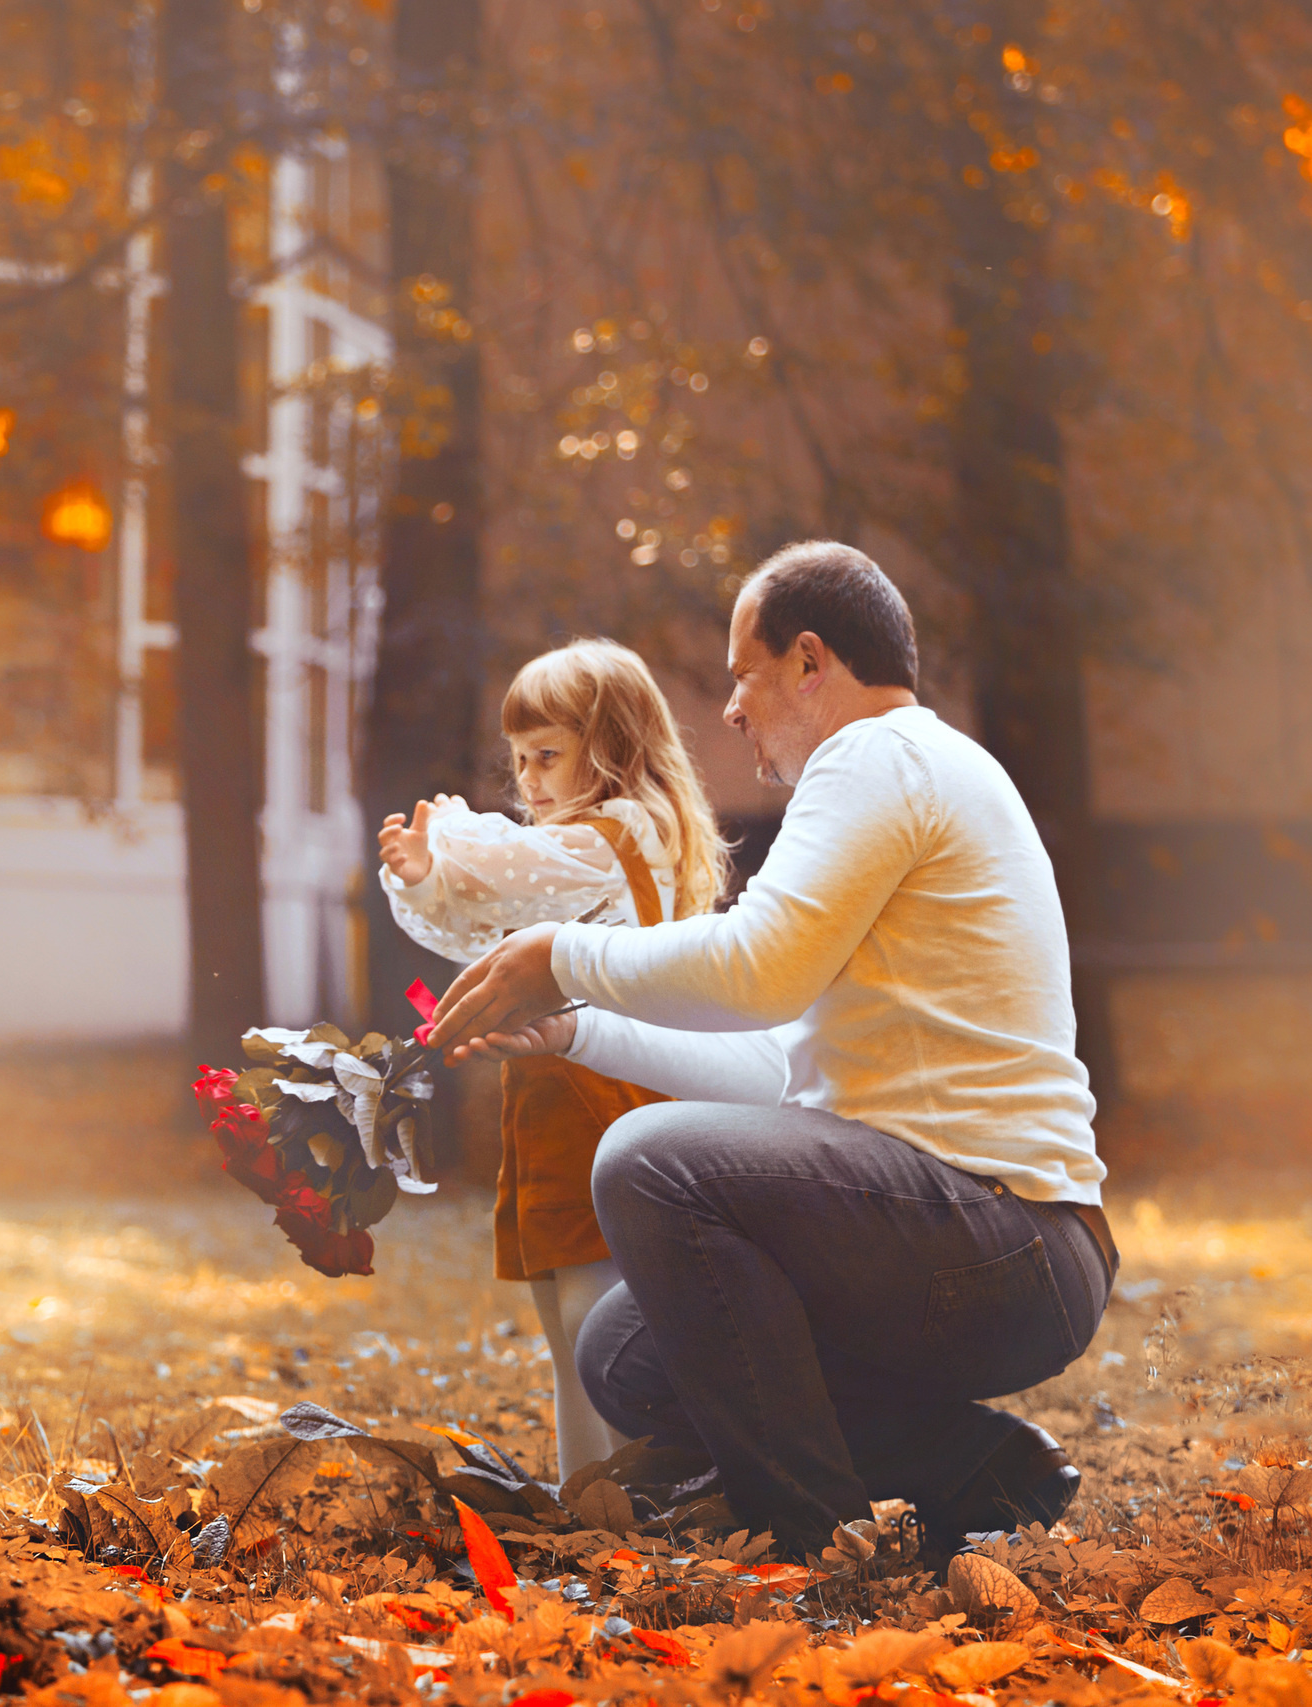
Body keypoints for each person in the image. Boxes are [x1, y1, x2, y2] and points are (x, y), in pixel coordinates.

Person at [425, 541, 1115, 1561]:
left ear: (809, 661)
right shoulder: (905, 773)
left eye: (743, 675)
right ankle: (970, 1465)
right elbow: (777, 1062)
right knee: (625, 1348)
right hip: (975, 1244)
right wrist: (574, 1029)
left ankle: (809, 1532)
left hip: (1000, 1239)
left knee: (645, 1159)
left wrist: (564, 953)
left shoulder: (878, 756)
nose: (735, 708)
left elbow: (757, 969)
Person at [377, 638, 728, 1484]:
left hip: (605, 1085)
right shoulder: (587, 849)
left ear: (611, 748)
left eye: (548, 756)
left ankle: (636, 1489)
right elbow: (469, 925)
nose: (528, 779)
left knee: (593, 1298)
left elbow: (510, 871)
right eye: (519, 759)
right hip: (555, 1086)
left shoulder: (622, 833)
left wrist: (446, 852)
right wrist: (431, 883)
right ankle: (589, 1492)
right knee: (560, 1298)